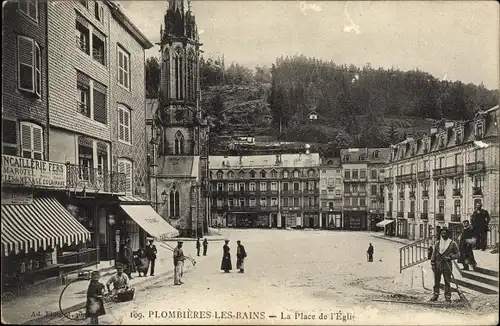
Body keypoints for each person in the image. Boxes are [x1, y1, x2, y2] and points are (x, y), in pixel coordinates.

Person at [430, 228, 459, 302]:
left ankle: (448, 296)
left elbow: (458, 255)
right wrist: (433, 263)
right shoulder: (437, 243)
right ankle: (435, 294)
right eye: (442, 233)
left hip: (447, 265)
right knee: (436, 281)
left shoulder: (452, 243)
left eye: (445, 233)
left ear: (448, 234)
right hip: (437, 265)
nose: (443, 235)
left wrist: (450, 257)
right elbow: (434, 254)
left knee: (447, 281)